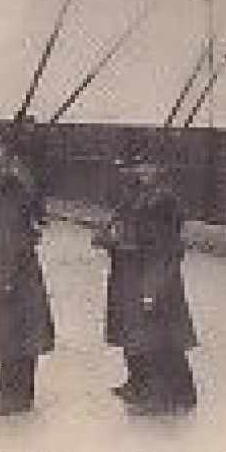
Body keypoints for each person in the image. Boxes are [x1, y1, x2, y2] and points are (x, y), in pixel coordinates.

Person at [93, 141, 198, 416]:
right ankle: (142, 384)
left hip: (152, 273)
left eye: (149, 166)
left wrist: (154, 285)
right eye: (140, 165)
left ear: (160, 168)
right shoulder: (136, 194)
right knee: (136, 332)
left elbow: (165, 247)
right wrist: (111, 237)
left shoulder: (163, 200)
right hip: (131, 270)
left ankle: (167, 395)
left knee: (158, 337)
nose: (143, 171)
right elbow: (121, 225)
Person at [0, 138, 54, 416]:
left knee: (18, 331)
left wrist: (6, 276)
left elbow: (11, 235)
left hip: (12, 268)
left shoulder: (8, 186)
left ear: (0, 150)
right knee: (8, 331)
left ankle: (17, 396)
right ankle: (6, 388)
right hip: (5, 266)